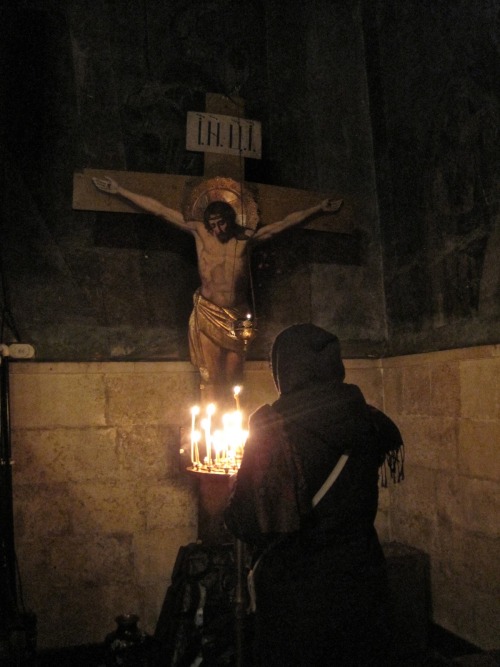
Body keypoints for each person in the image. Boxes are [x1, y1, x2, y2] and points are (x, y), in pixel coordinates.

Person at [224, 323, 405, 666]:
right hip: (362, 582)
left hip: (298, 596)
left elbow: (247, 521)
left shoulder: (272, 428)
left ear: (285, 369)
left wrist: (235, 495)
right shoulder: (367, 418)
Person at [92, 176, 342, 402]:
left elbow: (283, 224)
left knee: (234, 378)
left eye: (221, 223)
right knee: (210, 377)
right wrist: (119, 190)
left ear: (230, 220)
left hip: (236, 317)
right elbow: (159, 210)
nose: (217, 229)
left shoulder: (245, 240)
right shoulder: (200, 233)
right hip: (208, 312)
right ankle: (210, 429)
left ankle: (232, 432)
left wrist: (318, 209)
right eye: (213, 224)